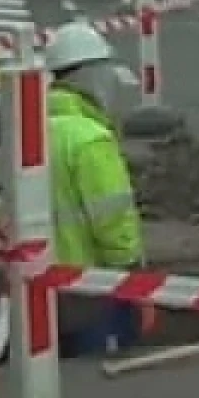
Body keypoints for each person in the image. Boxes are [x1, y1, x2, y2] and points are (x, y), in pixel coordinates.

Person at [38, 22, 148, 356]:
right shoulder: (89, 138)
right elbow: (112, 220)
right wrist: (132, 273)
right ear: (88, 75)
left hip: (40, 283)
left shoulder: (31, 128)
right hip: (94, 286)